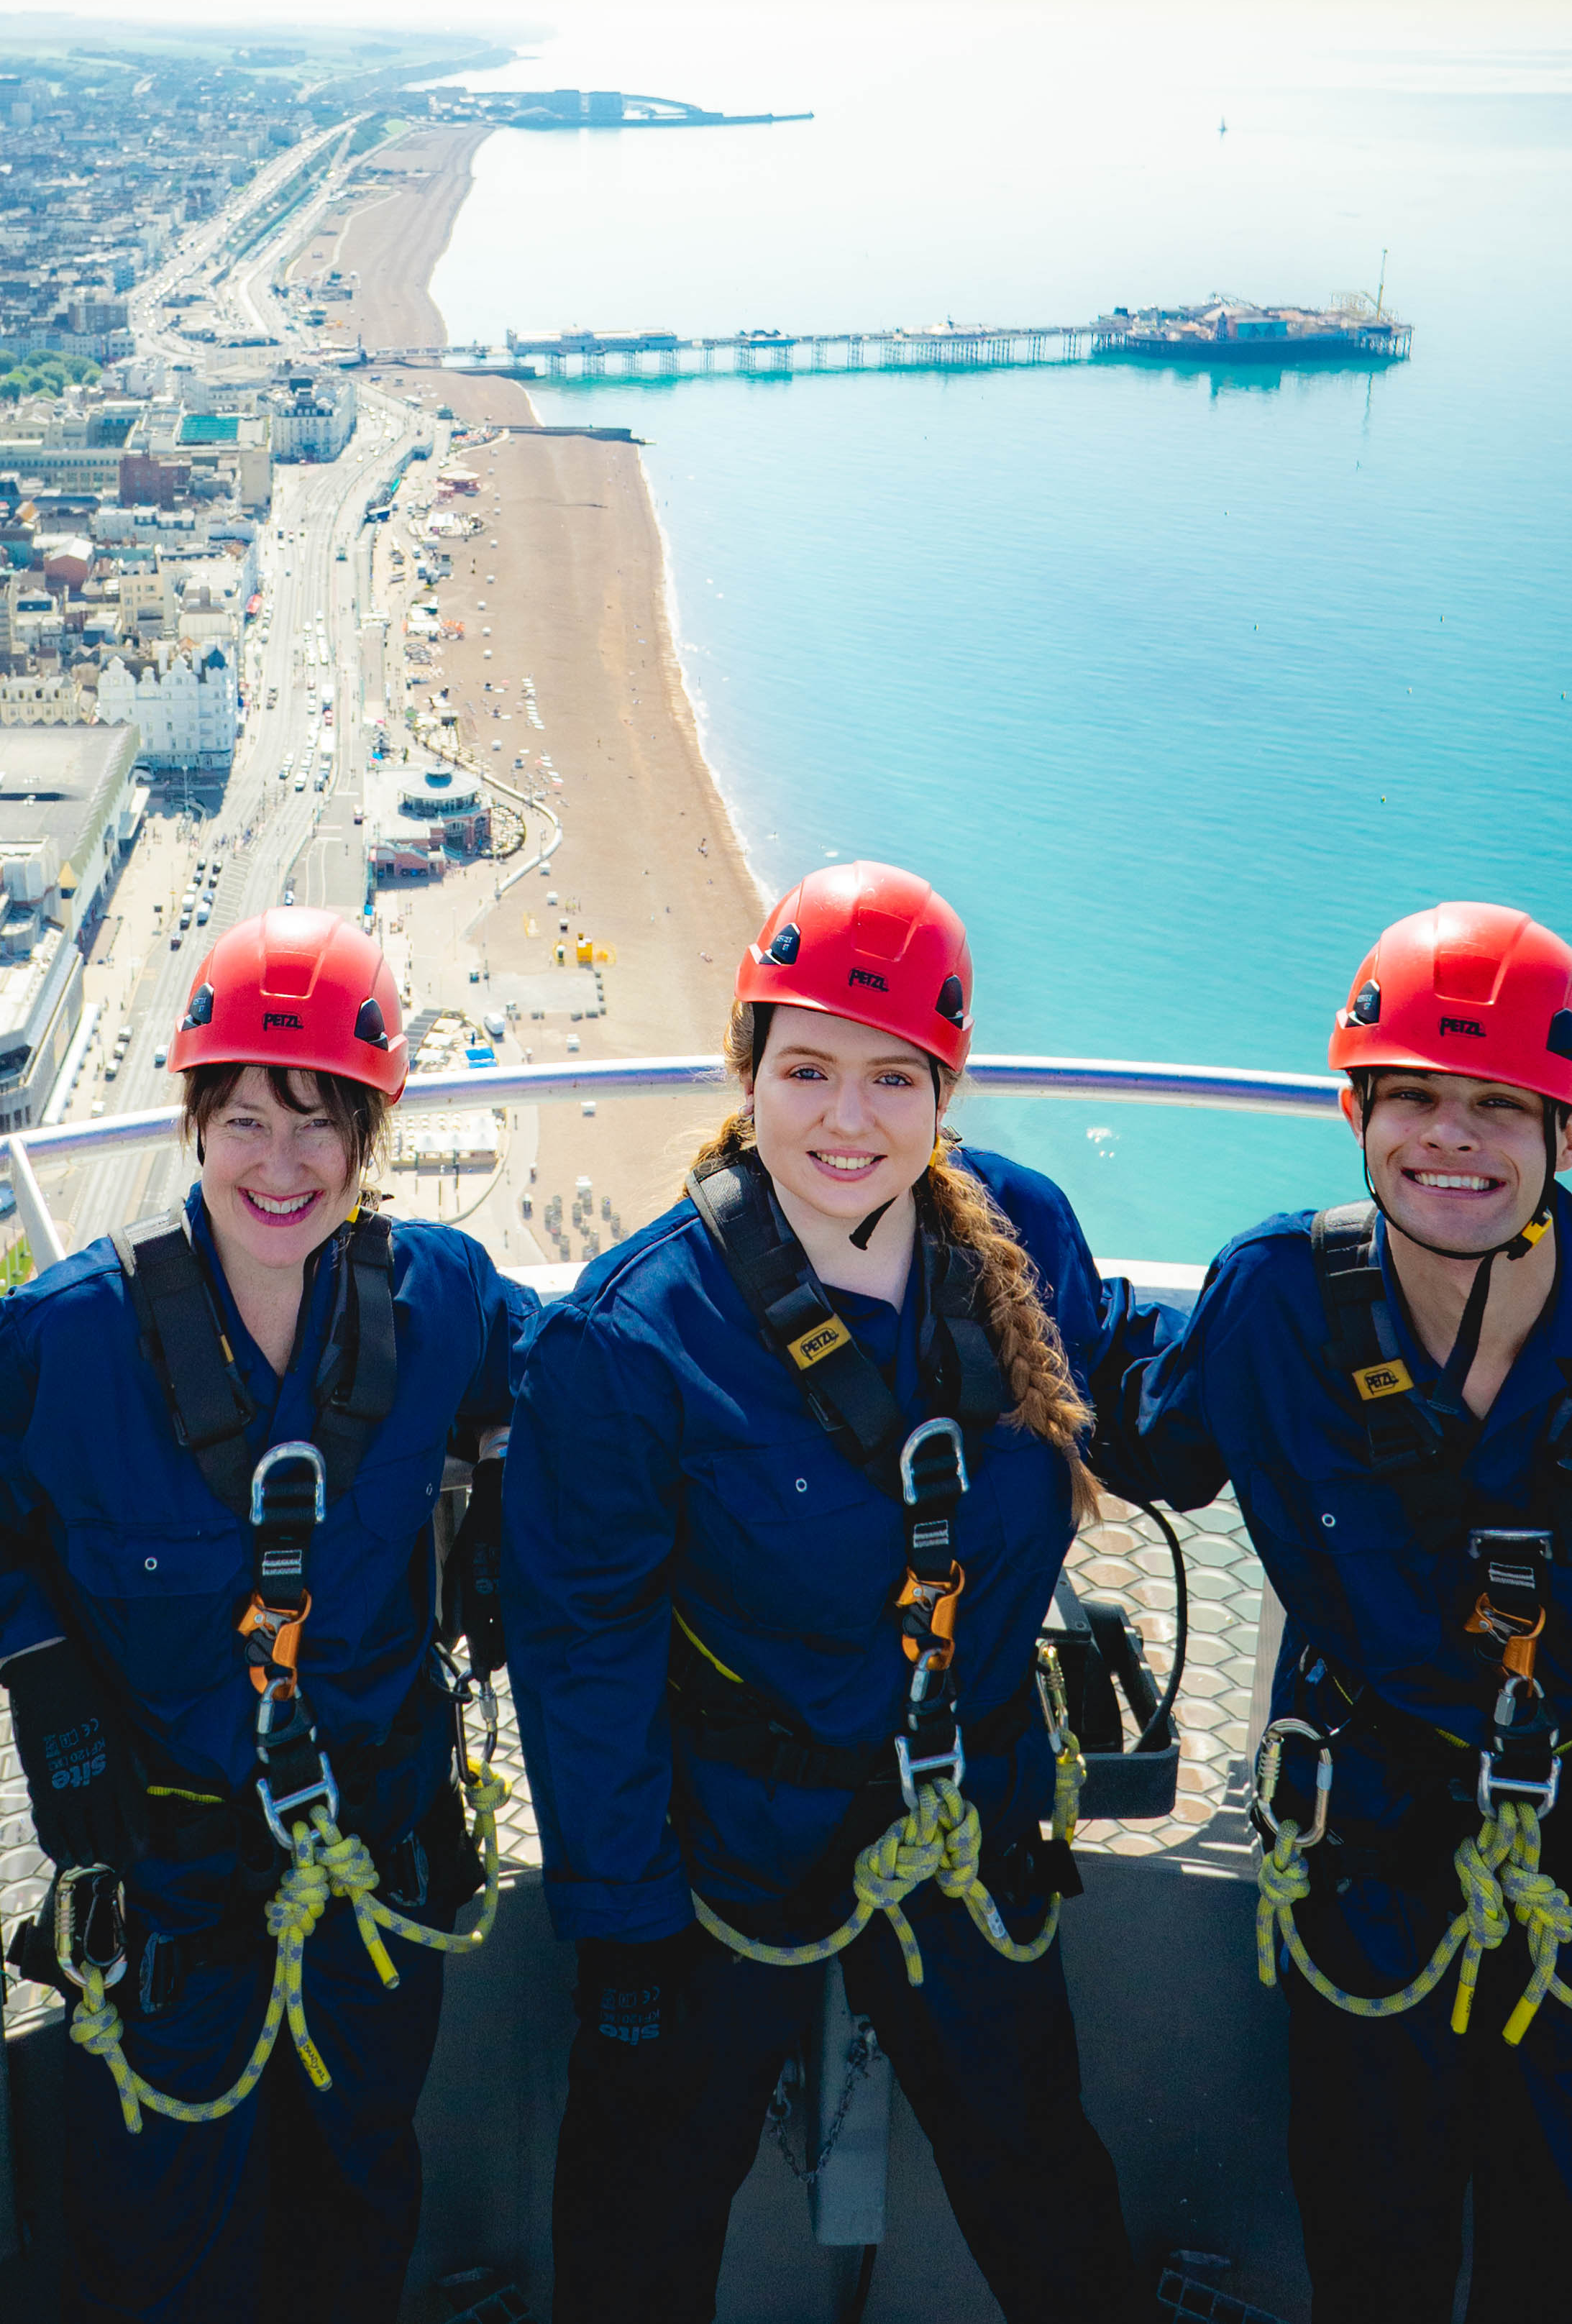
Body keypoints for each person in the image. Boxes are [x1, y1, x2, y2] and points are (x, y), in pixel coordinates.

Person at [501, 860, 1169, 2324]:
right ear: (748, 1070)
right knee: (646, 2200)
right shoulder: (636, 1336)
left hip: (967, 1802)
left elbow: (1130, 1379)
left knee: (1039, 2169)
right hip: (730, 1843)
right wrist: (624, 1922)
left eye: (892, 1077)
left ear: (946, 1090)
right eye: (807, 1069)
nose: (848, 1118)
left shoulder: (1025, 1236)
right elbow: (581, 1650)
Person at [0, 907, 539, 2324]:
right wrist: (42, 1662)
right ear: (197, 1118)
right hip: (170, 1881)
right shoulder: (63, 1343)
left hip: (375, 1858)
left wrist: (505, 1510)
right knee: (164, 2232)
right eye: (248, 1117)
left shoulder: (442, 1302)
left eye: (322, 1123)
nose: (282, 1162)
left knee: (360, 2188)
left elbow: (593, 1392)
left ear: (371, 1135)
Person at [1123, 902, 1572, 2324]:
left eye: (1499, 1104)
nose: (1452, 1138)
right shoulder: (1273, 1298)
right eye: (1416, 1097)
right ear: (1357, 1110)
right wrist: (974, 1237)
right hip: (1368, 1848)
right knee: (1372, 2237)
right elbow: (1153, 1438)